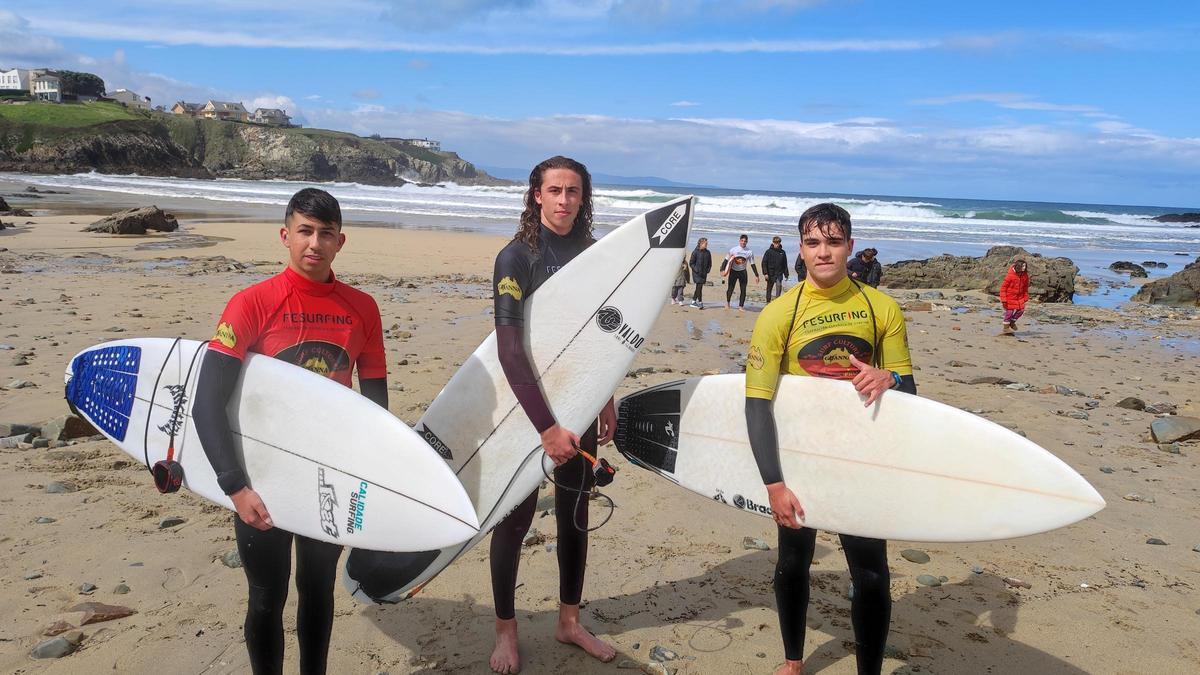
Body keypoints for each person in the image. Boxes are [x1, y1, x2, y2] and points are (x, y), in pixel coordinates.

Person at [191, 188, 388, 675]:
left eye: (325, 234)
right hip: (263, 477)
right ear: (285, 235)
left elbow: (376, 410)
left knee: (318, 591)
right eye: (304, 231)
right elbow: (205, 404)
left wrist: (363, 479)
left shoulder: (363, 309)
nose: (314, 244)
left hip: (326, 476)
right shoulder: (252, 303)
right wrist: (235, 486)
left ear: (341, 241)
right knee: (265, 596)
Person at [744, 203, 916, 675]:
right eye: (814, 243)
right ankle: (794, 662)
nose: (824, 252)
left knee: (872, 574)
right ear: (801, 248)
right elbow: (757, 403)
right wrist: (774, 483)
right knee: (793, 563)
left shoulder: (881, 308)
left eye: (834, 242)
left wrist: (891, 379)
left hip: (861, 458)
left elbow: (911, 388)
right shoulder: (778, 314)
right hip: (802, 459)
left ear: (850, 247)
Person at [489, 155, 618, 674]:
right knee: (515, 521)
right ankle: (506, 632)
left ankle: (568, 622)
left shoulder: (593, 254)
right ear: (536, 195)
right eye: (555, 190)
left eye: (573, 191)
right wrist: (544, 426)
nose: (564, 200)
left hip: (580, 401)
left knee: (574, 516)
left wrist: (605, 394)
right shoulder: (516, 258)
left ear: (583, 198)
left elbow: (600, 339)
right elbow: (509, 350)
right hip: (526, 407)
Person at [723, 233, 760, 310]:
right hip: (733, 271)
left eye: (745, 241)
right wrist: (722, 269)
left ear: (747, 242)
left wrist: (756, 275)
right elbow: (726, 259)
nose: (743, 242)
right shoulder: (733, 249)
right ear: (739, 241)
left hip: (743, 272)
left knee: (743, 290)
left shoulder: (749, 252)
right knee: (730, 288)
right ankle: (727, 303)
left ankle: (741, 306)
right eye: (742, 241)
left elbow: (752, 264)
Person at [999, 258, 1030, 333]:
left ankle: (1012, 323)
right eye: (1022, 266)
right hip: (1009, 297)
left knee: (1021, 310)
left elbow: (1025, 287)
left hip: (1020, 297)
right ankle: (1006, 328)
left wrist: (1026, 296)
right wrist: (1003, 300)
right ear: (1018, 266)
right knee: (1009, 312)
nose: (1024, 268)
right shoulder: (1010, 276)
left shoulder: (1025, 276)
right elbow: (1003, 288)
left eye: (1025, 266)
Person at [762, 235, 790, 302]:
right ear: (773, 242)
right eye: (775, 242)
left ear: (780, 243)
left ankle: (777, 301)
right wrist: (765, 273)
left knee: (779, 286)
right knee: (769, 288)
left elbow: (785, 264)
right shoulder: (768, 252)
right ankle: (768, 301)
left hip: (779, 273)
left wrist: (786, 275)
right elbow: (764, 263)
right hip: (770, 273)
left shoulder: (782, 252)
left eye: (778, 243)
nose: (777, 244)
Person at [689, 237, 712, 308]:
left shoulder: (708, 252)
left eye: (707, 243)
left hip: (704, 273)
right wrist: (696, 270)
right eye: (705, 243)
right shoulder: (695, 252)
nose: (706, 244)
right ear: (701, 243)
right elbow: (691, 263)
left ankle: (693, 302)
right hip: (697, 273)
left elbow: (710, 263)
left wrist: (708, 270)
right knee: (699, 287)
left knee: (699, 287)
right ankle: (700, 302)